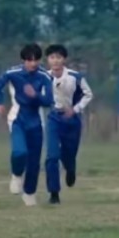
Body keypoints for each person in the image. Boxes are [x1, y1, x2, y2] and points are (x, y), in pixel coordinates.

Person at [0, 43, 55, 206]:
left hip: (37, 121)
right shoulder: (13, 73)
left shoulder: (45, 76)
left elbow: (49, 101)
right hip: (17, 119)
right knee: (19, 152)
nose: (33, 64)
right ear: (23, 60)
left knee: (34, 161)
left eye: (36, 60)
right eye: (29, 60)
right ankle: (17, 173)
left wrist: (35, 95)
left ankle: (29, 193)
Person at [43, 44, 94, 204]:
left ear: (64, 59)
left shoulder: (75, 76)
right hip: (54, 118)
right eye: (52, 57)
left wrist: (75, 109)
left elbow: (88, 94)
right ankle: (54, 193)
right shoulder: (43, 77)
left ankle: (70, 169)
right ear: (48, 60)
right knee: (52, 156)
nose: (55, 61)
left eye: (58, 57)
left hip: (72, 120)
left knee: (68, 155)